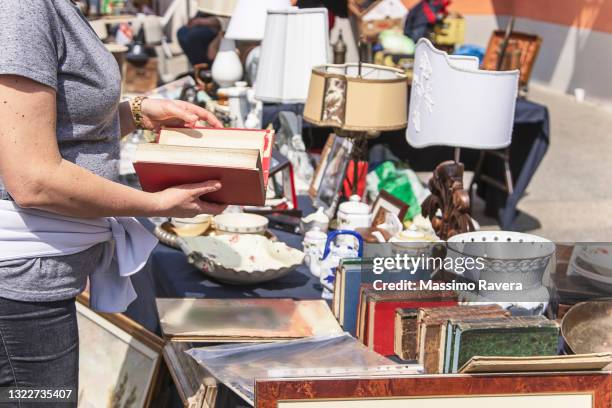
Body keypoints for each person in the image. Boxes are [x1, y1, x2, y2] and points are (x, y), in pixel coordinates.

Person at [0, 0, 225, 401]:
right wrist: (156, 204)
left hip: (32, 283)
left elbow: (60, 130)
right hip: (19, 289)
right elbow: (33, 177)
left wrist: (136, 112)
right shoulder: (22, 7)